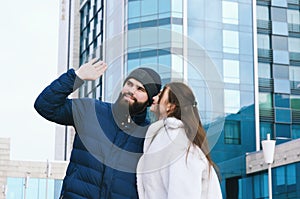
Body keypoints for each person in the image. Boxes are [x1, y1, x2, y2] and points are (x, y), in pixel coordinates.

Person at [34, 58, 161, 199]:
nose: (131, 91)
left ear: (150, 100)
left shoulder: (150, 135)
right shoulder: (91, 110)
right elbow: (45, 106)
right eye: (129, 84)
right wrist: (76, 76)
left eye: (140, 89)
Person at [137, 82, 223, 199]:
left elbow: (183, 194)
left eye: (161, 95)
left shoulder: (178, 143)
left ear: (171, 106)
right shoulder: (167, 138)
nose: (154, 98)